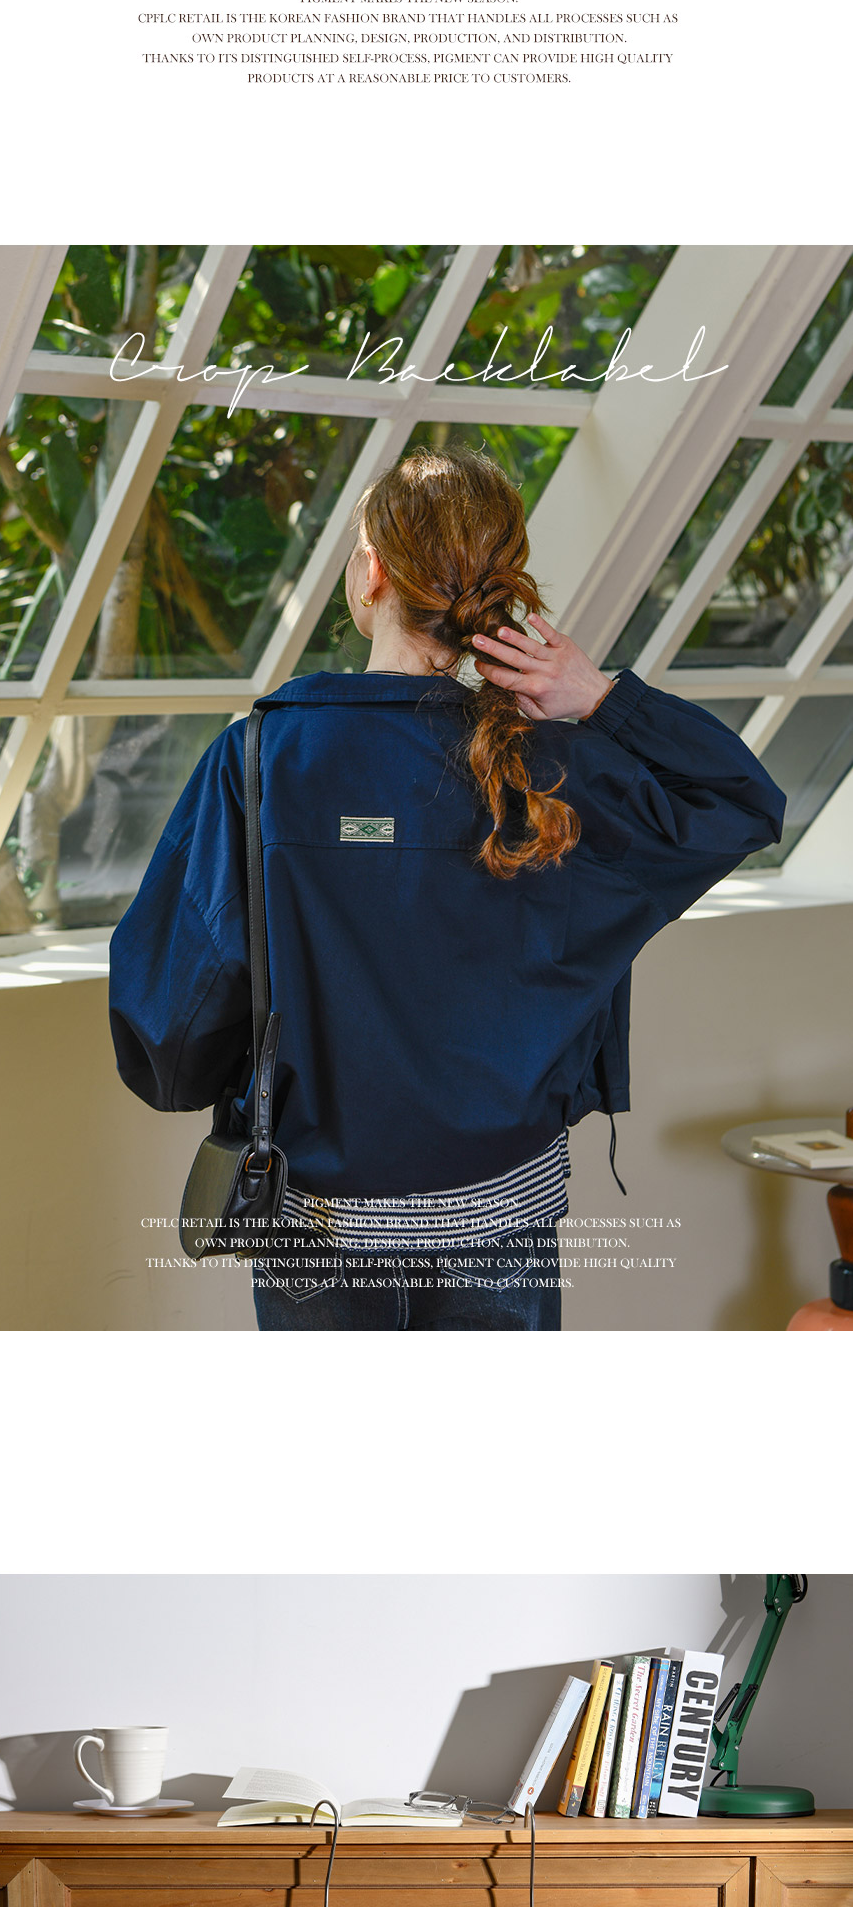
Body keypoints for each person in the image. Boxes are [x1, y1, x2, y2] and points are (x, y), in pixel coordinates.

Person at [108, 444, 786, 1337]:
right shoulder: (552, 769)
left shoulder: (260, 760)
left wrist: (221, 1079)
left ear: (371, 574)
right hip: (502, 1223)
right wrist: (600, 697)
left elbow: (171, 1018)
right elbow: (744, 803)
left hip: (317, 1223)